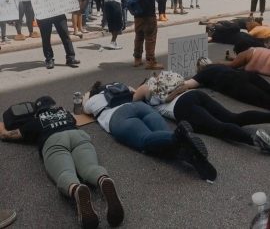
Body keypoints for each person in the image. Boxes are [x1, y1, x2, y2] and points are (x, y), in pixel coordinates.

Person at [0, 96, 124, 229]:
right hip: (78, 136)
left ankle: (77, 188)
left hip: (54, 141)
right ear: (54, 105)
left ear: (37, 111)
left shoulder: (34, 121)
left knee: (65, 172)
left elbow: (8, 135)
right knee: (90, 167)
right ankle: (103, 179)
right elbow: (75, 120)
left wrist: (2, 126)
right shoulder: (66, 113)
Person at [83, 82, 217, 182]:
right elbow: (137, 92)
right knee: (163, 136)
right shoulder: (122, 87)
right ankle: (186, 153)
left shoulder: (94, 99)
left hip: (118, 115)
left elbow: (84, 108)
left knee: (145, 139)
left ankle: (179, 137)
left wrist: (86, 96)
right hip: (140, 107)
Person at [133, 80, 270, 153]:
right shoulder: (160, 81)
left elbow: (133, 103)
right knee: (233, 117)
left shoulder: (144, 87)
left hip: (181, 107)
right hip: (193, 94)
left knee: (218, 128)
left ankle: (254, 140)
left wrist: (132, 91)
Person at [23, 0, 80, 69]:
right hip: (43, 13)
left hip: (58, 11)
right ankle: (49, 59)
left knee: (65, 35)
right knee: (46, 38)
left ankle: (70, 57)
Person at [180, 60, 270, 110]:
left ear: (200, 68)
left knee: (263, 100)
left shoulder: (203, 72)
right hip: (245, 74)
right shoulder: (220, 65)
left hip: (233, 82)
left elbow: (188, 84)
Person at [132, 0, 167, 70]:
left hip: (137, 14)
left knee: (139, 36)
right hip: (148, 14)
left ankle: (137, 59)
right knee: (150, 37)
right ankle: (150, 61)